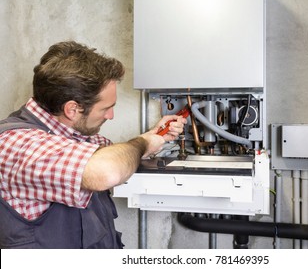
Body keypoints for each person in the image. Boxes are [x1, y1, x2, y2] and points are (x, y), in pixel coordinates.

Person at [0, 41, 186, 249]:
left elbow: (117, 156)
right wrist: (144, 142)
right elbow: (106, 171)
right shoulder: (17, 144)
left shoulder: (75, 135)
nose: (111, 116)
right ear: (72, 109)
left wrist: (154, 136)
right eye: (106, 108)